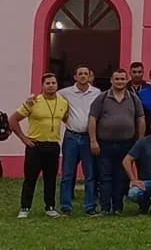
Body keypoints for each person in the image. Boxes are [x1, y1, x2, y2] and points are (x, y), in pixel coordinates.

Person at [9, 73, 70, 218]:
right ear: (42, 85)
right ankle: (25, 207)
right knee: (30, 178)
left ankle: (50, 207)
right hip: (35, 146)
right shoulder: (33, 101)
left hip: (53, 146)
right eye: (47, 83)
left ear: (57, 85)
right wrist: (23, 138)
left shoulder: (63, 102)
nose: (51, 85)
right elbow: (13, 120)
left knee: (51, 178)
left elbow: (67, 119)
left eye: (53, 83)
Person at [88, 67, 146, 216]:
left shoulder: (134, 98)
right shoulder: (101, 98)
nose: (120, 81)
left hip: (127, 144)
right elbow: (92, 119)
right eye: (117, 79)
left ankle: (118, 208)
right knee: (105, 177)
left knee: (121, 178)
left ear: (126, 80)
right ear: (111, 80)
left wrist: (139, 142)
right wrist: (93, 141)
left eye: (122, 79)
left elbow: (140, 119)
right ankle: (106, 208)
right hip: (105, 144)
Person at [58, 64, 102, 216]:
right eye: (80, 74)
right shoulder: (64, 93)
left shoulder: (96, 93)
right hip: (71, 136)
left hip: (88, 137)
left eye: (86, 73)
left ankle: (90, 207)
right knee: (67, 173)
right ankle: (65, 207)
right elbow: (55, 105)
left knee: (90, 174)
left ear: (90, 76)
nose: (83, 76)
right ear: (75, 77)